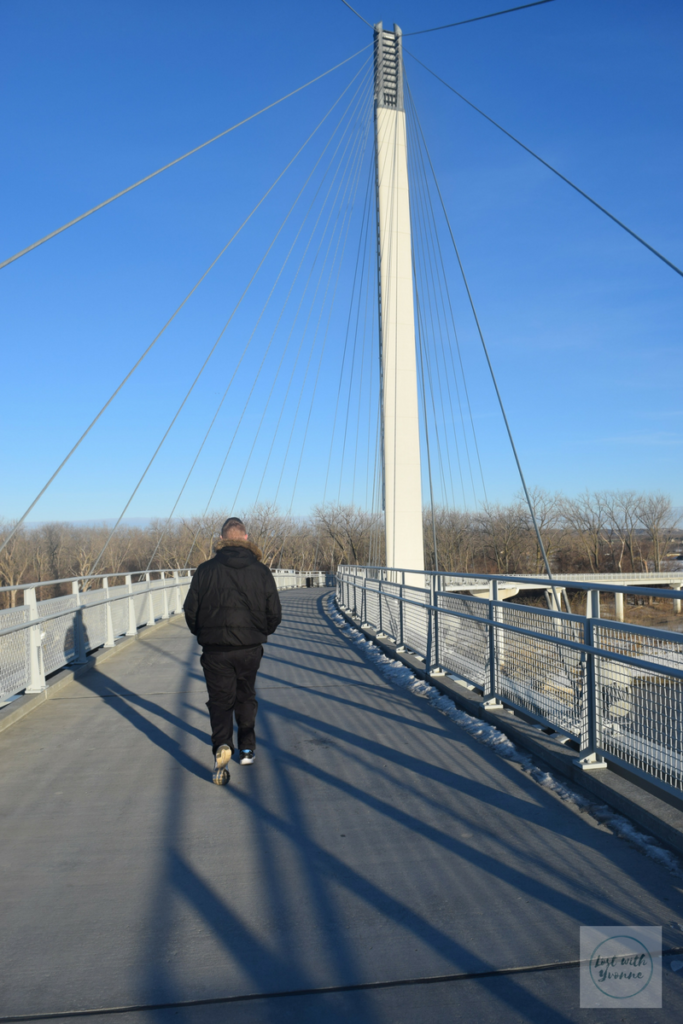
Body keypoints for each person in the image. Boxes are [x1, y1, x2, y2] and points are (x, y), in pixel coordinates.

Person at [184, 517, 282, 785]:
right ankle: (247, 748)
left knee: (220, 700)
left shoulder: (205, 570)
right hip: (249, 648)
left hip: (215, 649)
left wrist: (203, 633)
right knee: (245, 695)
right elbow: (274, 613)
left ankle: (222, 746)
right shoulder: (261, 571)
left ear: (221, 539)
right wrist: (259, 632)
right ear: (246, 538)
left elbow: (191, 610)